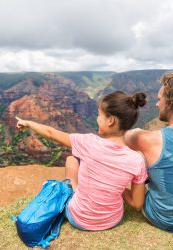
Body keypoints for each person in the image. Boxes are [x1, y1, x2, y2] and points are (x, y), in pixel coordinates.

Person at [16, 91, 148, 231]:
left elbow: (51, 133)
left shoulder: (88, 142)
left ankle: (70, 190)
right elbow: (137, 204)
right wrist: (115, 187)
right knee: (75, 161)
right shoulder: (136, 160)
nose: (97, 119)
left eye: (99, 115)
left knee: (71, 160)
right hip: (111, 221)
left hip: (79, 218)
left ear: (111, 120)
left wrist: (28, 123)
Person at [124, 72, 173, 234]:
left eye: (159, 100)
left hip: (165, 220)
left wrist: (138, 131)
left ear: (171, 103)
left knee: (139, 157)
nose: (156, 105)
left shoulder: (150, 139)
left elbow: (124, 136)